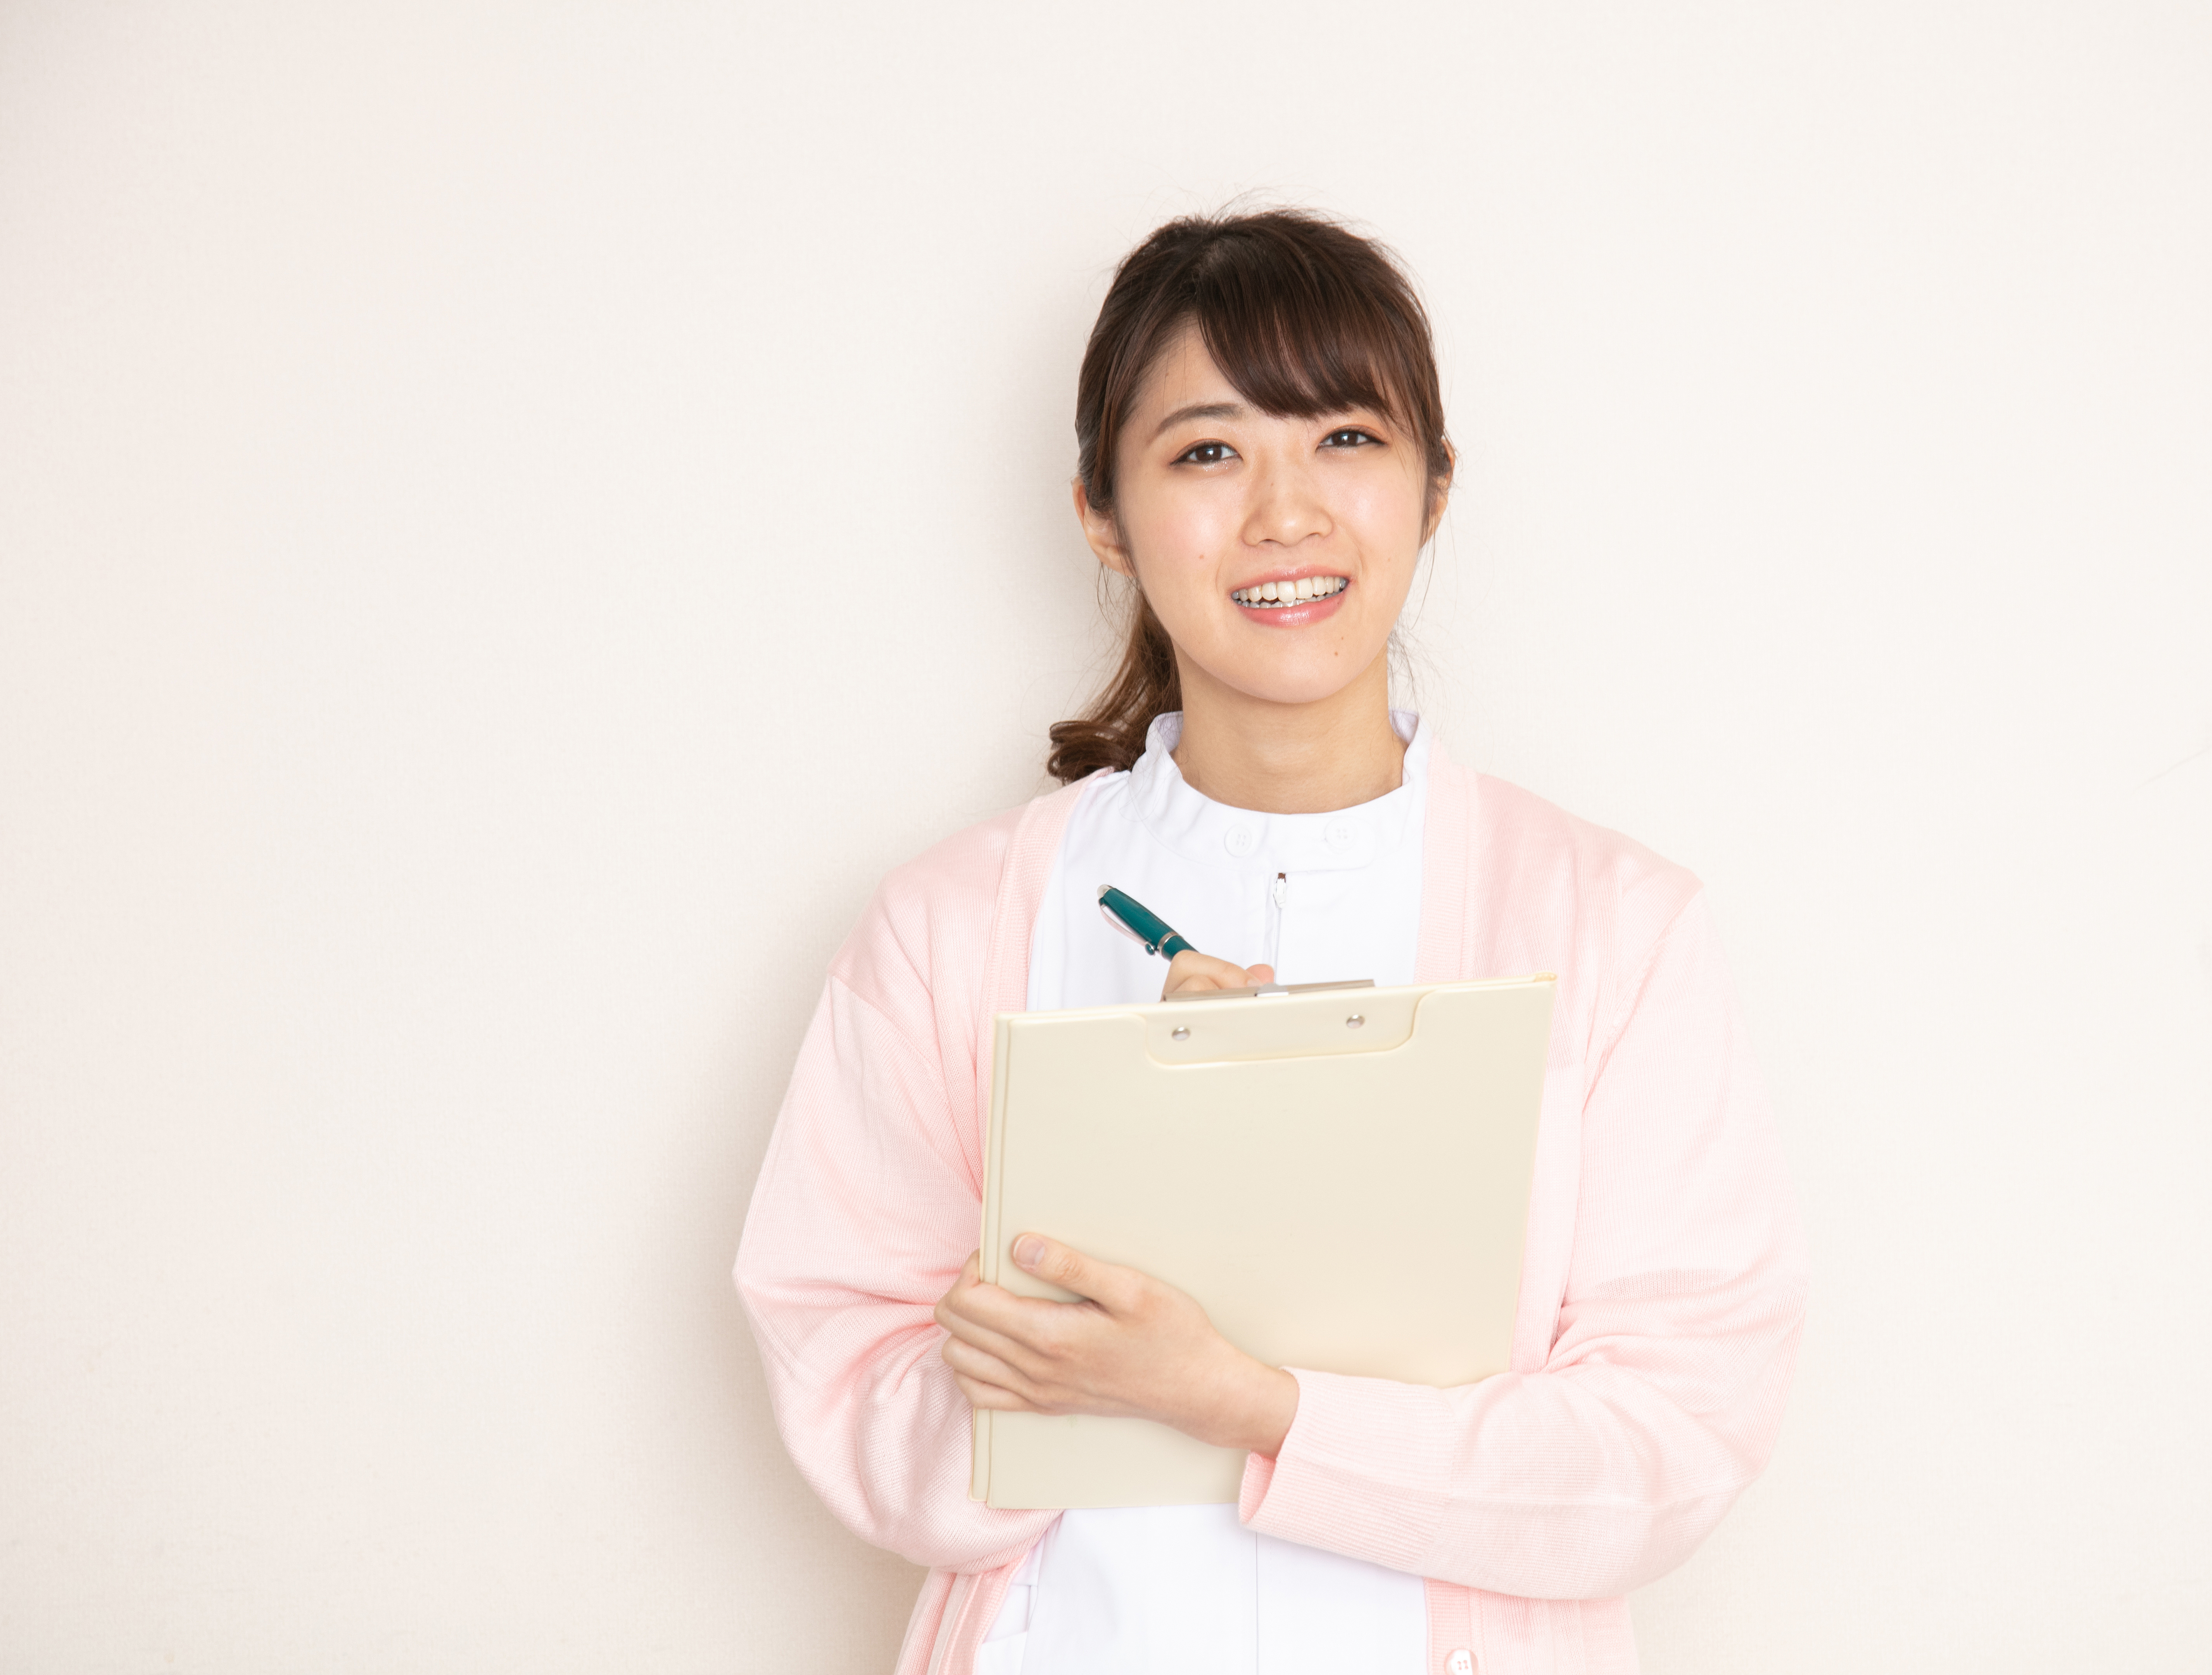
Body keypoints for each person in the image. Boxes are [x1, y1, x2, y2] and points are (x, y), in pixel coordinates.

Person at [734, 208, 1808, 1675]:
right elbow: (842, 1361)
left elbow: (1671, 1438)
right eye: (1207, 452)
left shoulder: (1612, 924)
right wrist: (1051, 1335)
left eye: (1349, 440)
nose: (1286, 514)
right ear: (1100, 512)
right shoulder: (952, 924)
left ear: (1436, 487)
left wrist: (1250, 1403)